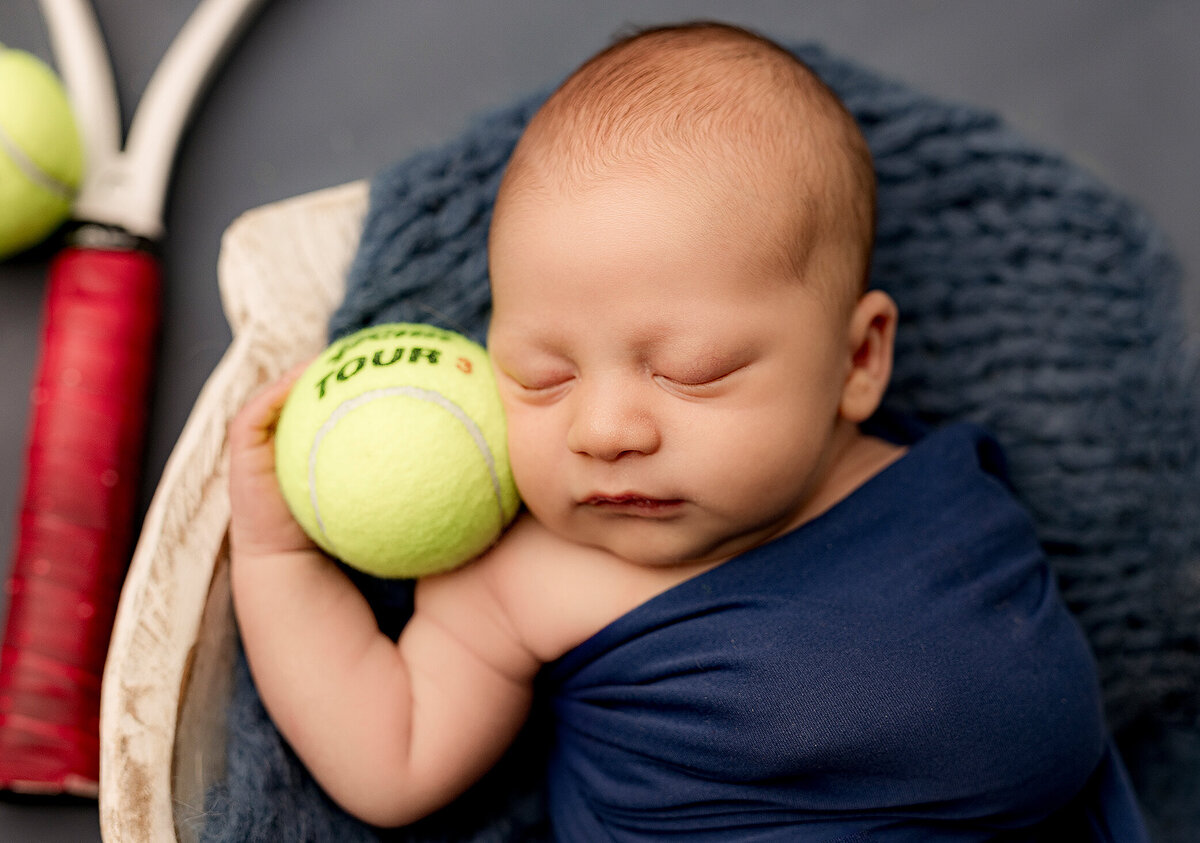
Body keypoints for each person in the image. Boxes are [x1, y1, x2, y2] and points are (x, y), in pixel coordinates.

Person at [228, 22, 1147, 841]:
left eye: (691, 371)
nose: (605, 428)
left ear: (858, 360)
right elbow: (391, 759)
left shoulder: (929, 480)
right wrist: (279, 557)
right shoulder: (515, 582)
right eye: (542, 378)